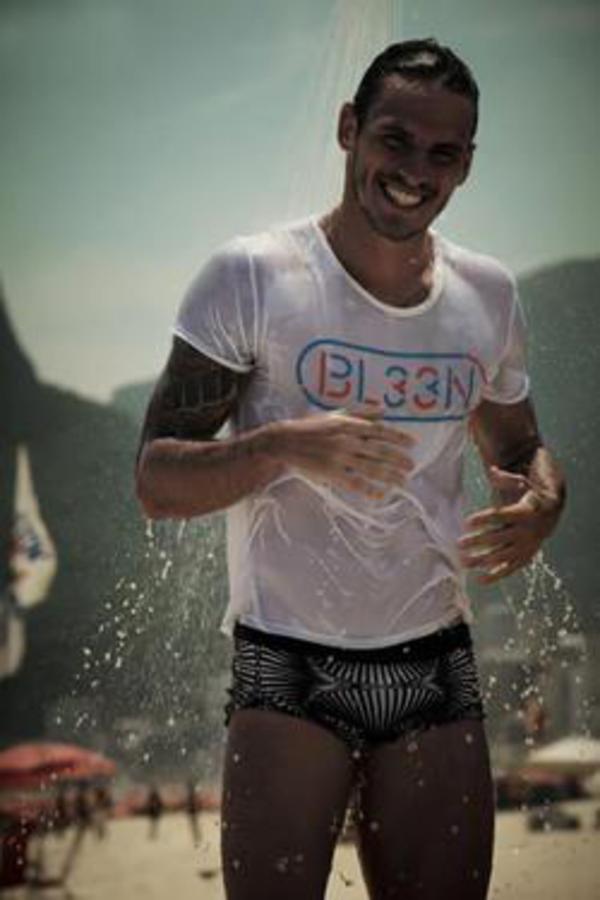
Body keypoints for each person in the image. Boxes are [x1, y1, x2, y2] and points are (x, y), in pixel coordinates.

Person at [136, 38, 565, 900]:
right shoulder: (253, 276)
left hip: (436, 663)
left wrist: (544, 500)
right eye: (394, 141)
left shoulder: (487, 295)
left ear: (466, 165)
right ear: (348, 129)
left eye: (442, 153)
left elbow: (517, 448)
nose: (414, 172)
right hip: (287, 664)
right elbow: (156, 480)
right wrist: (283, 445)